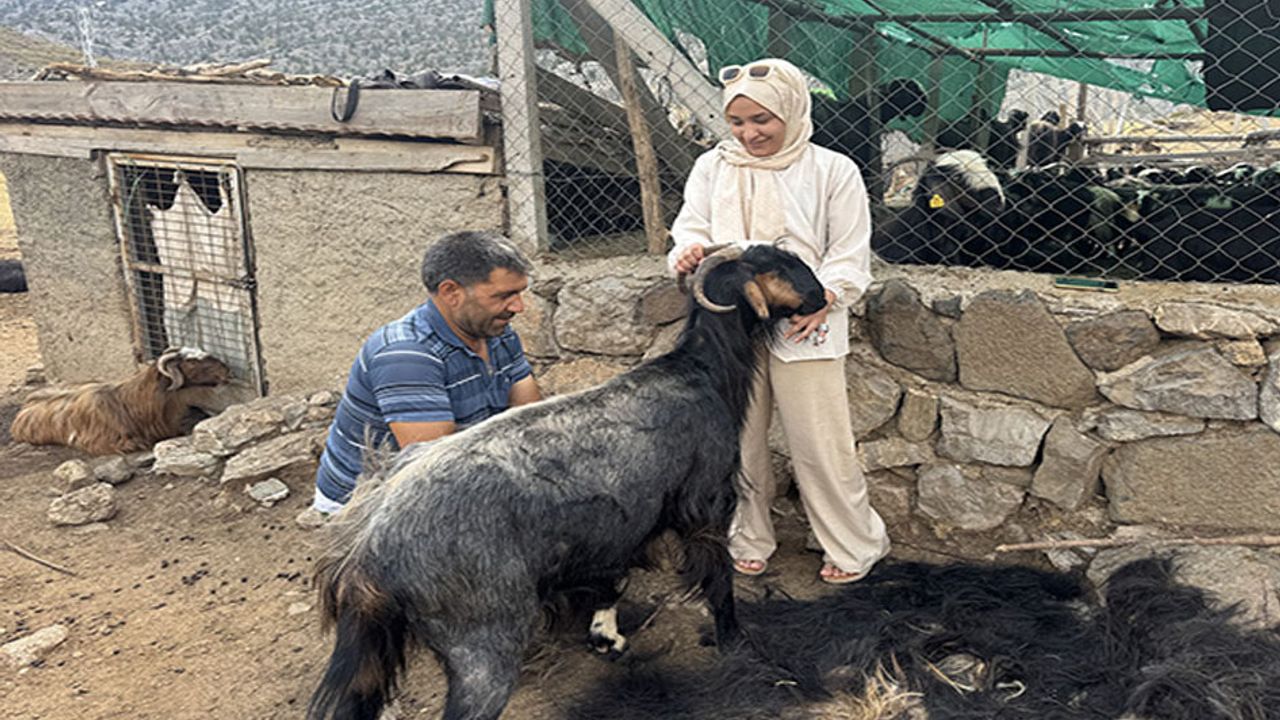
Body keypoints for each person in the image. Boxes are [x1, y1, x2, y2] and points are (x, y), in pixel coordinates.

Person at [668, 58, 889, 584]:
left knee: (820, 444)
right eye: (738, 123)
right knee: (738, 439)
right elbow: (690, 225)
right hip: (730, 328)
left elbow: (849, 251)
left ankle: (854, 543)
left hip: (804, 321)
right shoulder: (713, 167)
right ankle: (747, 536)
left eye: (762, 121)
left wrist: (829, 296)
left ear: (792, 111)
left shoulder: (832, 170)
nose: (749, 133)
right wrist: (686, 250)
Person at [302, 230, 542, 522]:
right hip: (370, 504)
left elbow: (529, 421)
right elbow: (438, 472)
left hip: (450, 471)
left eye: (520, 293)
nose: (519, 307)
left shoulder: (496, 332)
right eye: (504, 296)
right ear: (451, 292)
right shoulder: (407, 355)